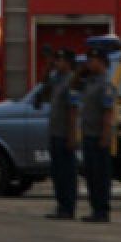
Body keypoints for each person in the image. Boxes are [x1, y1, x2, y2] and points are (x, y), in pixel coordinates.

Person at [34, 48, 80, 219]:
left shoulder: (71, 81)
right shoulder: (56, 79)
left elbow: (73, 111)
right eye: (56, 60)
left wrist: (72, 135)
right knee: (57, 173)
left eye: (60, 61)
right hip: (54, 132)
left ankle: (68, 207)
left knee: (67, 173)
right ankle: (61, 205)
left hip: (64, 134)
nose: (57, 63)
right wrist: (47, 66)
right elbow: (43, 89)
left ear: (68, 63)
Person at [79, 45, 116, 223]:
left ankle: (102, 210)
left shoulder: (106, 85)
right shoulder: (89, 82)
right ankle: (95, 208)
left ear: (101, 62)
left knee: (100, 176)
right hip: (88, 135)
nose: (88, 63)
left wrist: (105, 136)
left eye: (91, 60)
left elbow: (108, 112)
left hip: (98, 137)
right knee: (91, 176)